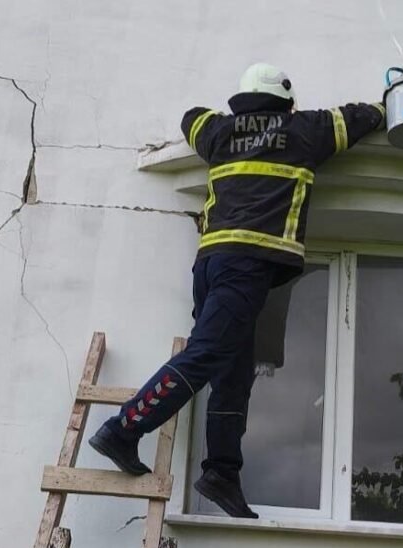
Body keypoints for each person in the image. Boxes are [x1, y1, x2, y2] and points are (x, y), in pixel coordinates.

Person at [89, 63, 386, 518]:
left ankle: (222, 473)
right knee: (207, 354)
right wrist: (387, 106)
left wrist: (233, 124)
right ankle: (124, 428)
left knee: (234, 367)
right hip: (247, 266)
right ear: (288, 101)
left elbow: (191, 117)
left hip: (212, 263)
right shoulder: (305, 129)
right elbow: (359, 118)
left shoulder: (220, 132)